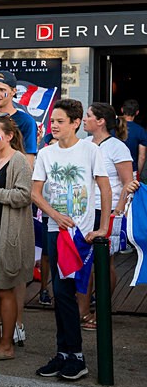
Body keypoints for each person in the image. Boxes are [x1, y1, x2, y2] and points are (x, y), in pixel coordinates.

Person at [32, 99, 111, 381]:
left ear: (76, 123)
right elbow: (35, 192)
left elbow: (104, 187)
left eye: (60, 121)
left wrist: (104, 228)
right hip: (56, 230)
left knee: (73, 291)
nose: (53, 125)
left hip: (82, 233)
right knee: (62, 292)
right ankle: (66, 353)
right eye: (52, 121)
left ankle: (75, 355)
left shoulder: (90, 150)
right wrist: (55, 215)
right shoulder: (46, 154)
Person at [0, 114, 35, 362]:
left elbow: (24, 196)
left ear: (9, 136)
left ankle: (6, 344)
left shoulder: (19, 161)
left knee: (4, 289)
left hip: (7, 232)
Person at [77, 102, 132, 330]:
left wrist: (118, 210)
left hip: (108, 211)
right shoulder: (85, 145)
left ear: (100, 121)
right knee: (84, 263)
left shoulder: (117, 147)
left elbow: (128, 182)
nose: (84, 119)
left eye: (88, 116)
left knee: (104, 262)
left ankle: (102, 311)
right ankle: (83, 312)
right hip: (86, 211)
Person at [0, 71, 38, 163]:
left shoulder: (26, 121)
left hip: (14, 174)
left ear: (13, 91)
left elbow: (29, 159)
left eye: (2, 90)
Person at [121, 99, 147, 177]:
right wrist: (137, 173)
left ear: (122, 110)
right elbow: (142, 156)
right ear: (137, 112)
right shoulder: (140, 131)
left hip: (112, 169)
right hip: (131, 170)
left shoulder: (113, 128)